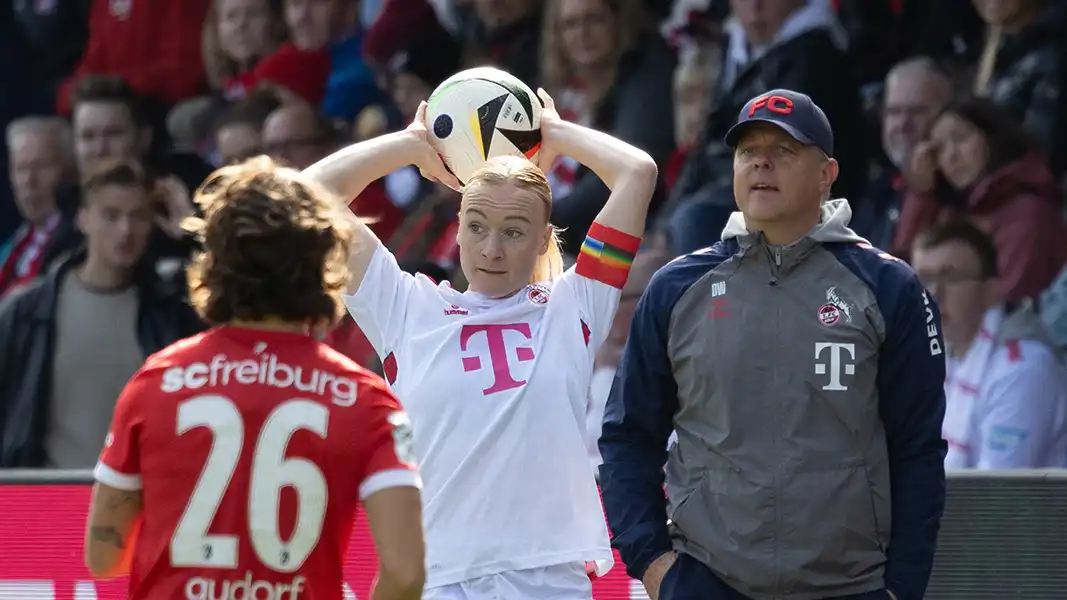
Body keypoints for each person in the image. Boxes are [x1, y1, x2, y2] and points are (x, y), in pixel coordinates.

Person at [304, 90, 658, 599]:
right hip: (439, 580)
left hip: (549, 581)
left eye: (514, 232)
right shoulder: (406, 307)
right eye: (477, 227)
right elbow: (312, 193)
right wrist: (410, 145)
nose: (491, 249)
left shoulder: (576, 305)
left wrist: (554, 135)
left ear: (542, 240)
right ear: (459, 230)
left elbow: (637, 173)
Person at [599, 89, 948, 600]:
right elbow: (628, 438)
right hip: (708, 581)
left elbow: (918, 449)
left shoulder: (889, 287)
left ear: (827, 174)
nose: (761, 162)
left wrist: (902, 588)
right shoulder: (675, 288)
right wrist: (656, 566)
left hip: (850, 586)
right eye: (748, 151)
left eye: (784, 150)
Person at [83, 156, 426, 600]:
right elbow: (405, 573)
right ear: (324, 263)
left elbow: (103, 557)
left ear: (215, 264)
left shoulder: (158, 382)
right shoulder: (365, 401)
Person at [911, 220, 1067, 468]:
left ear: (992, 290)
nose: (933, 294)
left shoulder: (1023, 370)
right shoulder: (942, 352)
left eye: (951, 278)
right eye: (923, 279)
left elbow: (994, 496)